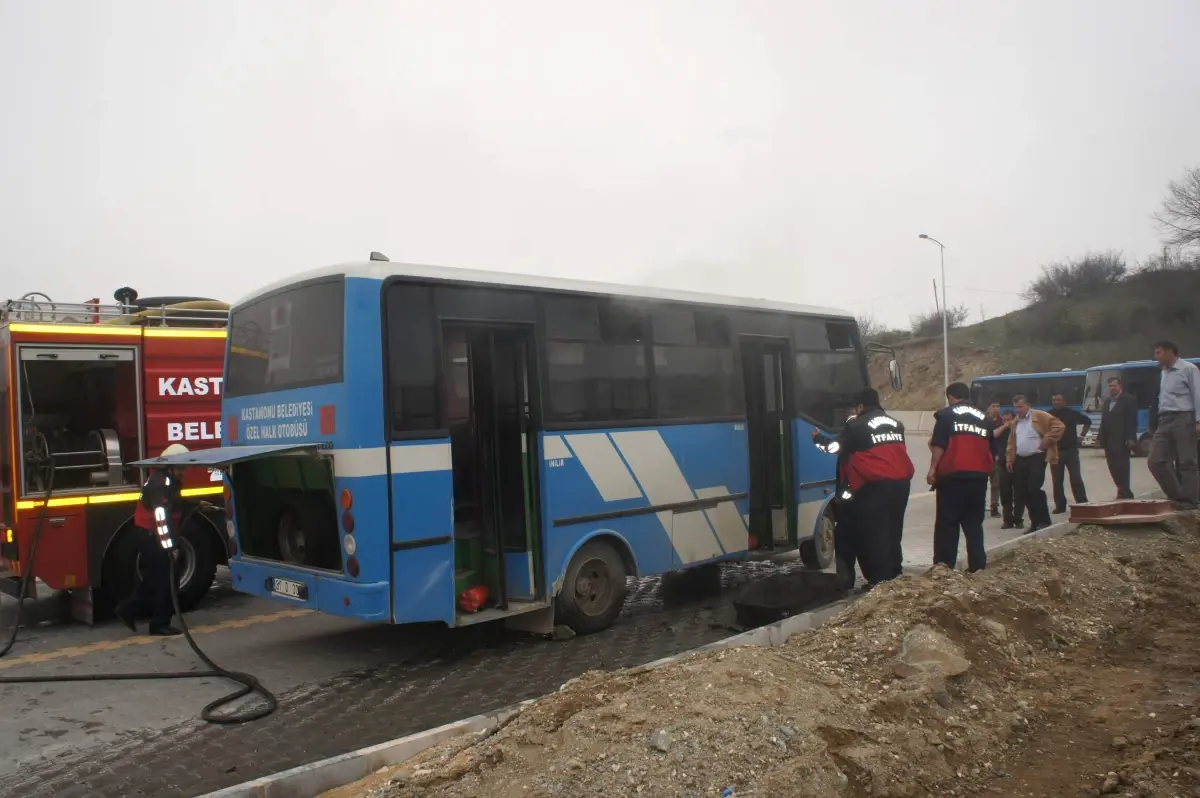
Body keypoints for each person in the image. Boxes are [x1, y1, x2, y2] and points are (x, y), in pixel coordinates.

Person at [811, 388, 914, 589]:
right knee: (894, 529)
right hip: (901, 484)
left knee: (876, 533)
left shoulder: (857, 426)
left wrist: (818, 439)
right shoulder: (896, 424)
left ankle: (881, 584)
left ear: (860, 407)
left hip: (875, 486)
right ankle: (895, 573)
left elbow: (834, 448)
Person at [115, 443, 191, 636]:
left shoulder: (164, 480)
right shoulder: (161, 484)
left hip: (149, 536)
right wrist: (170, 547)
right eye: (181, 468)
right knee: (166, 581)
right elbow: (161, 519)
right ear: (170, 466)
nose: (184, 472)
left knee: (154, 579)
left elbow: (174, 504)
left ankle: (128, 610)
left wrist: (198, 505)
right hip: (153, 537)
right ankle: (159, 624)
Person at [927, 382, 993, 572]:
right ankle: (978, 566)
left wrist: (932, 469)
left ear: (951, 397)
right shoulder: (985, 418)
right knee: (973, 523)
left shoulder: (946, 415)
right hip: (979, 477)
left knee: (948, 523)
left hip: (953, 476)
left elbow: (939, 444)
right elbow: (991, 449)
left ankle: (944, 567)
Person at [1148, 340, 1200, 510]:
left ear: (1171, 352)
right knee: (1155, 461)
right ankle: (1177, 495)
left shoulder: (1189, 369)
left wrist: (1198, 421)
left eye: (1159, 353)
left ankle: (1190, 501)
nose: (1156, 357)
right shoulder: (1164, 372)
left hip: (1184, 417)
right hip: (1164, 419)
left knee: (1186, 461)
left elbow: (1198, 395)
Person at [1005, 394, 1065, 533]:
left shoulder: (1040, 416)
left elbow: (1059, 426)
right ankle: (1035, 522)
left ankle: (1043, 520)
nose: (1018, 410)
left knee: (1034, 488)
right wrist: (1009, 458)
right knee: (1023, 491)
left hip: (1037, 457)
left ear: (1028, 405)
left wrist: (1047, 440)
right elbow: (1011, 442)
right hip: (1021, 458)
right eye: (1016, 407)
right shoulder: (1015, 422)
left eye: (1020, 407)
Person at [1048, 393, 1091, 514]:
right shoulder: (1049, 415)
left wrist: (1081, 436)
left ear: (1064, 402)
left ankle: (1082, 503)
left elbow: (1087, 421)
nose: (1056, 402)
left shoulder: (1072, 413)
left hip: (1071, 450)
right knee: (1057, 480)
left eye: (1058, 400)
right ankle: (1060, 506)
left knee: (1076, 477)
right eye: (1054, 400)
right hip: (1056, 451)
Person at [1097, 376, 1138, 500]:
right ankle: (1122, 491)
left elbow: (1132, 420)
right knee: (1113, 467)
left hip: (1122, 440)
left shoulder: (1128, 400)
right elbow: (1104, 421)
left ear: (1120, 386)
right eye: (1110, 386)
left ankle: (1125, 492)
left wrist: (1131, 438)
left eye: (1114, 385)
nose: (1112, 388)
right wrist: (1099, 438)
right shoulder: (1107, 401)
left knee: (1122, 467)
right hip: (1108, 441)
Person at [993, 410, 1017, 527]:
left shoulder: (1018, 429)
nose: (1007, 422)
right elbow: (993, 435)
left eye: (1009, 420)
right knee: (1005, 493)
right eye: (1005, 420)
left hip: (1017, 463)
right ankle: (1007, 520)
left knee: (1018, 493)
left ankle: (1018, 518)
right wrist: (1005, 426)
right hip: (1003, 464)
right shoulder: (1000, 429)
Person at [986, 402, 1003, 518]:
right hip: (984, 455)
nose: (996, 409)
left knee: (996, 483)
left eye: (998, 406)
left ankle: (994, 506)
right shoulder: (983, 420)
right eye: (993, 406)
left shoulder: (1002, 421)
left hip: (997, 456)